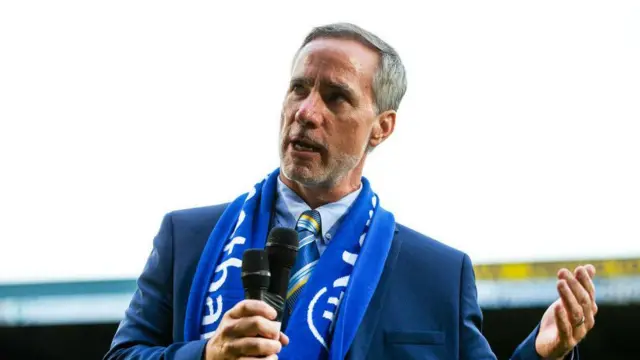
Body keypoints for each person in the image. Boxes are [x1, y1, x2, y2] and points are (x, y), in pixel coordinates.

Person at [104, 23, 598, 360]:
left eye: (336, 96)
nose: (307, 111)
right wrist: (206, 353)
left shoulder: (437, 274)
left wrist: (542, 354)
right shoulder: (186, 237)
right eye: (299, 88)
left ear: (381, 128)